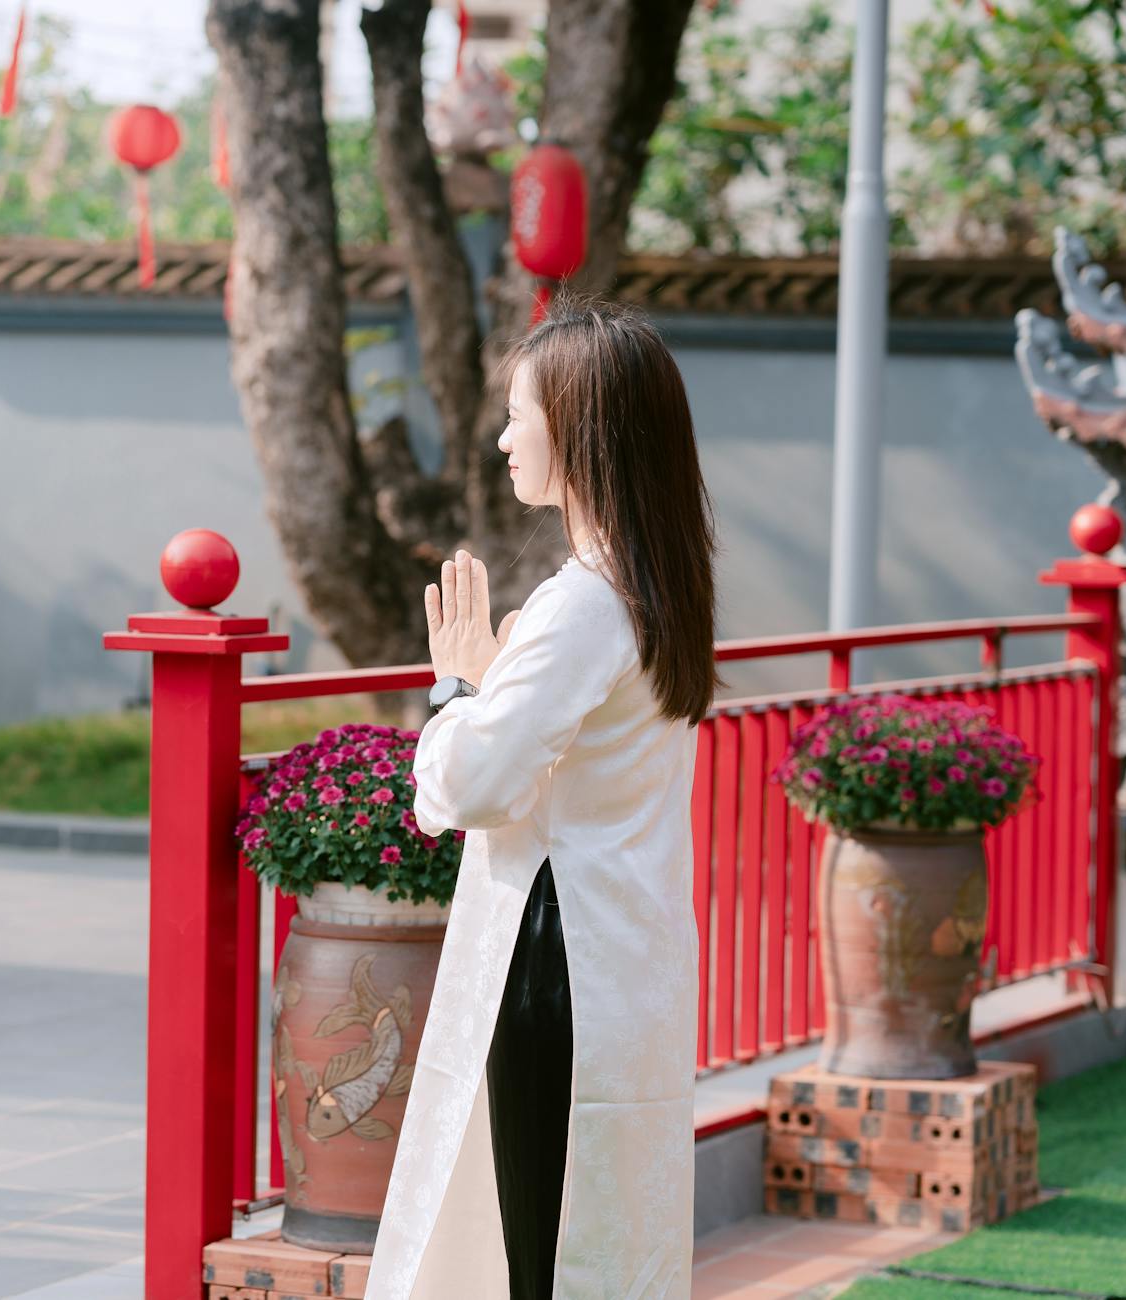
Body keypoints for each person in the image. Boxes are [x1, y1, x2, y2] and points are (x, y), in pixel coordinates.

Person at [363, 296, 722, 1299]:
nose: (505, 436)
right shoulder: (660, 590)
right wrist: (491, 684)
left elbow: (476, 782)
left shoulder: (581, 602)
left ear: (579, 428)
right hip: (624, 957)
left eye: (521, 412)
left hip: (556, 954)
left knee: (542, 1250)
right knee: (601, 1235)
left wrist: (455, 693)